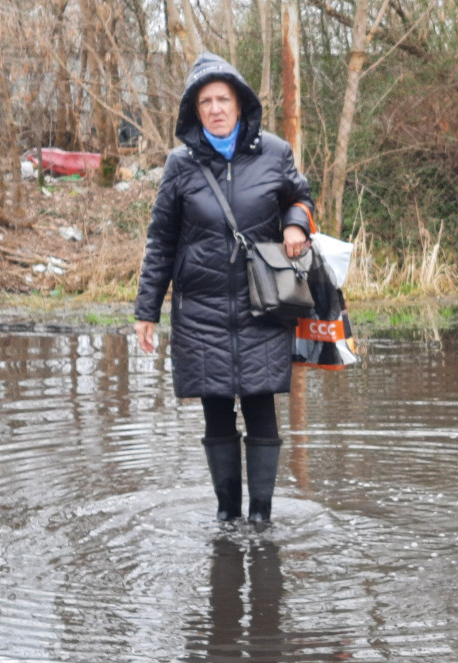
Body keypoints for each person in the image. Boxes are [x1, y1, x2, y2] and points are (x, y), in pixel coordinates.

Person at [134, 52, 314, 525]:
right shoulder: (180, 166)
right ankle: (226, 516)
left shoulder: (274, 152)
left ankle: (261, 518)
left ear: (240, 104)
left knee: (260, 405)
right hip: (200, 311)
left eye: (223, 99)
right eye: (206, 101)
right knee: (216, 410)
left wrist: (296, 224)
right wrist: (146, 311)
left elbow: (300, 197)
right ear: (196, 110)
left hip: (263, 305)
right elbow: (161, 241)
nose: (215, 108)